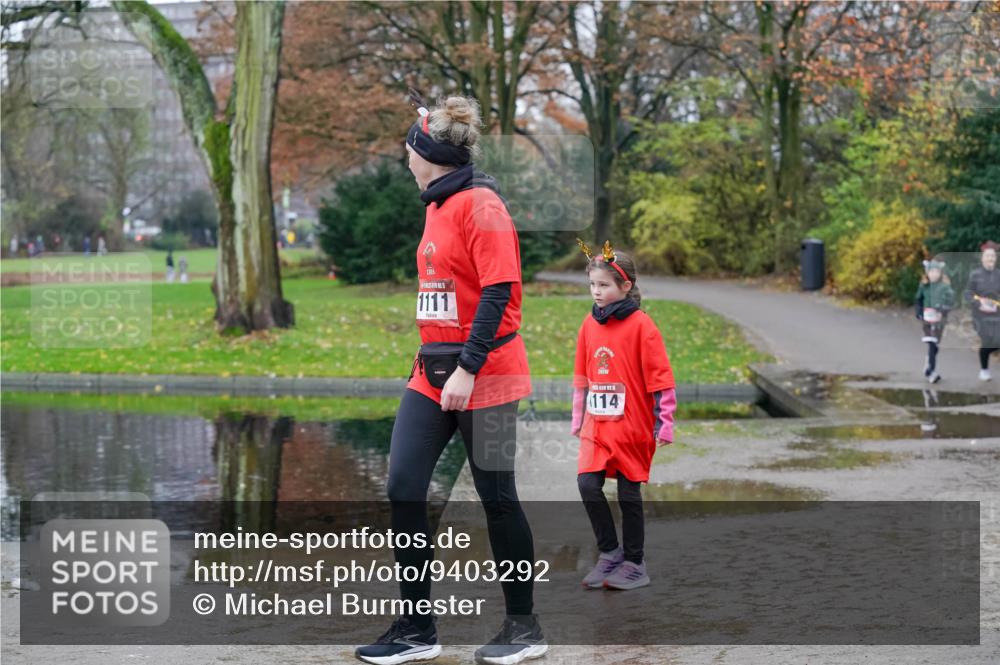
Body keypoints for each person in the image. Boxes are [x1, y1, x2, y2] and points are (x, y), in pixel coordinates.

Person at [355, 95, 544, 665]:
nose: (405, 158)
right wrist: (441, 364)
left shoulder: (481, 204)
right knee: (403, 486)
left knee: (498, 500)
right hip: (430, 371)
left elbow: (499, 292)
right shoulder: (437, 203)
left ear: (429, 155)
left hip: (488, 375)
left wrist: (467, 367)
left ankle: (524, 629)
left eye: (409, 150)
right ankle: (417, 630)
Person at [571, 239, 676, 591]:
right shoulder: (588, 325)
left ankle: (634, 563)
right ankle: (609, 552)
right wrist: (578, 418)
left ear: (625, 286)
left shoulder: (642, 326)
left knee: (629, 495)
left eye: (603, 285)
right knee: (587, 484)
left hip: (632, 426)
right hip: (596, 426)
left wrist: (665, 422)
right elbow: (581, 377)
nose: (596, 291)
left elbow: (662, 379)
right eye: (592, 284)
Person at [914, 259, 954, 384]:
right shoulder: (924, 285)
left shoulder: (945, 287)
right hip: (927, 319)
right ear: (927, 273)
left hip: (940, 320)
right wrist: (919, 312)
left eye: (937, 271)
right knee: (931, 343)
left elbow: (951, 301)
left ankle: (928, 364)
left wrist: (943, 308)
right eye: (931, 272)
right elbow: (918, 299)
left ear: (941, 273)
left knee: (935, 345)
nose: (934, 274)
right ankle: (931, 372)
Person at [964, 240, 1000, 381]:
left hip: (997, 316)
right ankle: (984, 370)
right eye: (987, 256)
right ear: (982, 258)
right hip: (980, 316)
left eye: (993, 256)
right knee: (988, 341)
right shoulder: (975, 275)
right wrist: (978, 302)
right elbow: (968, 294)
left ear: (996, 258)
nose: (990, 258)